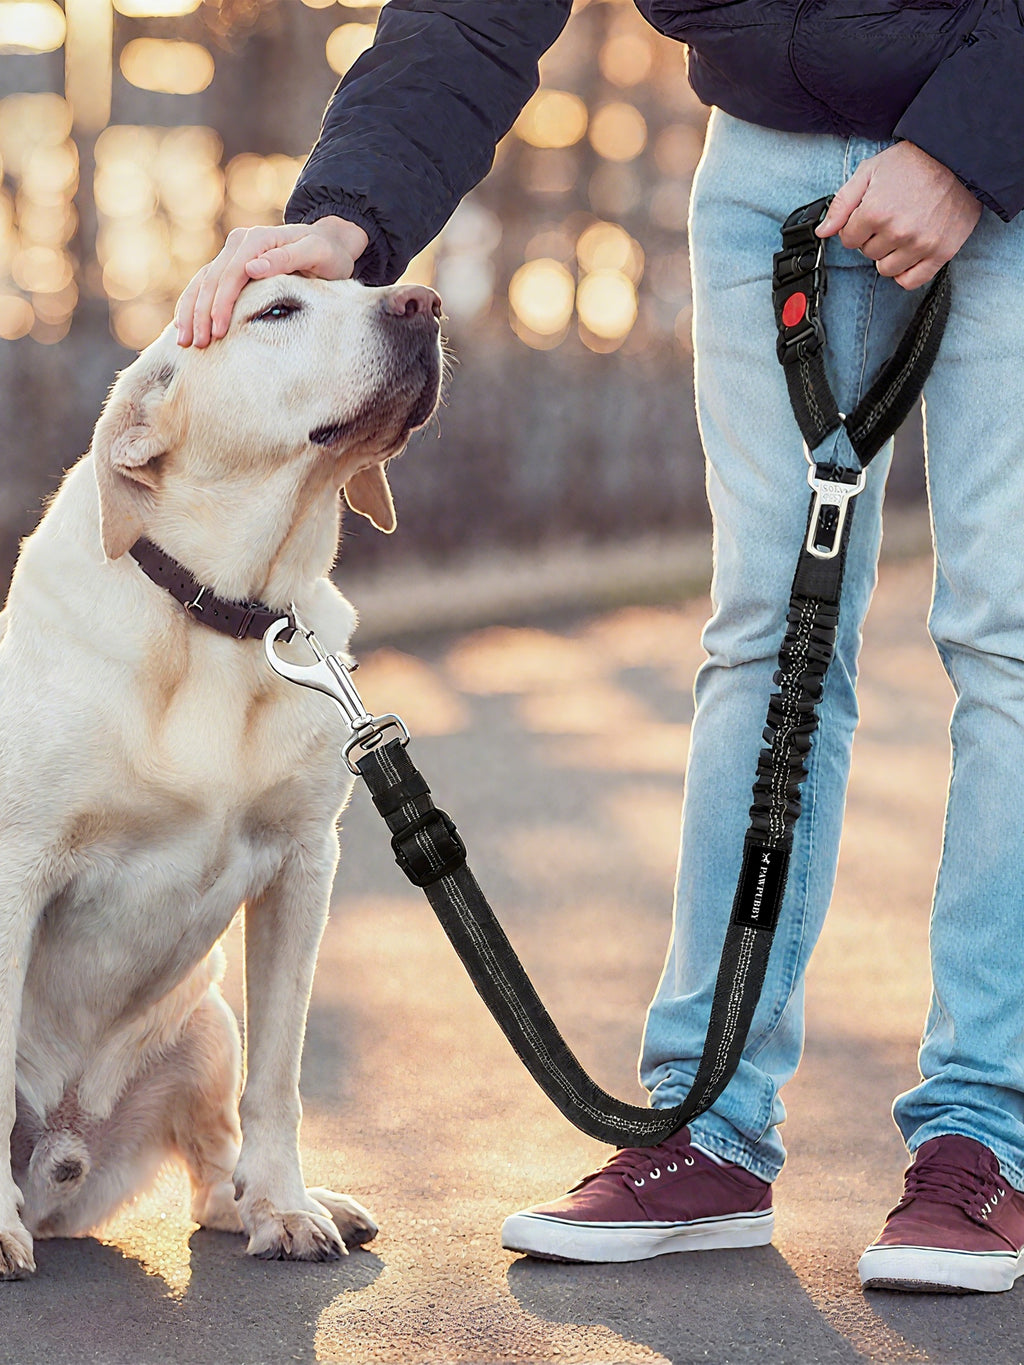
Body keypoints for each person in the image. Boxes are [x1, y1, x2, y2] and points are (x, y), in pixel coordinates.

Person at [176, 1, 1024, 1294]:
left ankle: (985, 1138)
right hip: (765, 158)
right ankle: (708, 1124)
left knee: (1005, 636)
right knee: (763, 633)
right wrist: (351, 211)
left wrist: (974, 141)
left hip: (1003, 144)